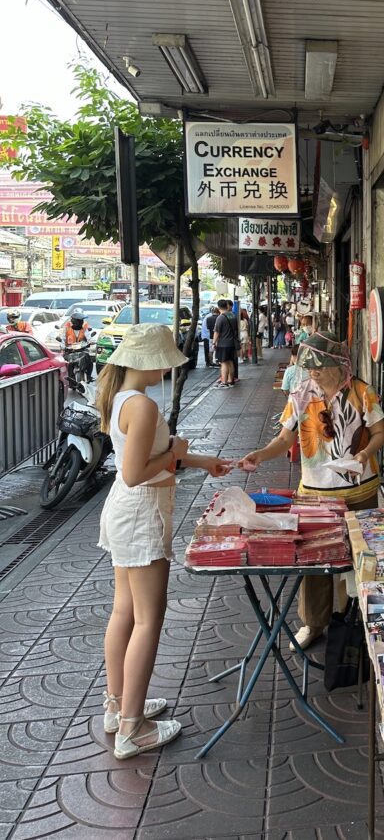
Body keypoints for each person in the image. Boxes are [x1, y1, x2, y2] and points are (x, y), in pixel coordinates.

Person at [95, 324, 232, 758]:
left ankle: (118, 706)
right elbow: (136, 472)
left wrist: (199, 460)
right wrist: (175, 454)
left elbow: (149, 456)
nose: (168, 370)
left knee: (125, 612)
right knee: (148, 619)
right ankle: (132, 728)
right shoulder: (143, 405)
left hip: (129, 512)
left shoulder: (123, 398)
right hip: (142, 513)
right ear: (149, 362)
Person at [239, 332, 384, 650]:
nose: (314, 373)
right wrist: (261, 454)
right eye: (310, 367)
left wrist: (364, 454)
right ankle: (313, 623)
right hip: (315, 494)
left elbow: (379, 433)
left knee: (362, 558)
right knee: (314, 560)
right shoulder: (301, 395)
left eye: (319, 367)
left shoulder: (362, 392)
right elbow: (284, 439)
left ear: (337, 364)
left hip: (360, 492)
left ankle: (359, 620)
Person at [212, 298, 236, 388]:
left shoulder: (221, 317)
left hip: (223, 344)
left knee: (224, 363)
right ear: (227, 306)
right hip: (231, 343)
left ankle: (224, 382)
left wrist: (214, 343)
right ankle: (230, 380)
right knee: (230, 361)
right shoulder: (232, 315)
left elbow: (217, 332)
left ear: (218, 307)